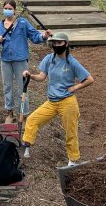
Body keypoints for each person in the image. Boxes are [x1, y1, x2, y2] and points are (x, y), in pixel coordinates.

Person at [21, 33, 94, 166]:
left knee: (70, 132)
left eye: (59, 43)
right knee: (32, 119)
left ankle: (73, 160)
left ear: (66, 44)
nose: (56, 45)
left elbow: (89, 79)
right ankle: (26, 146)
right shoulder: (49, 59)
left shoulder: (72, 62)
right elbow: (42, 76)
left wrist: (75, 87)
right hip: (52, 101)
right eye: (54, 43)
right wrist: (30, 75)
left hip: (68, 102)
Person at [0, 0, 52, 124]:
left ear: (15, 10)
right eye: (5, 8)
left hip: (20, 60)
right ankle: (9, 112)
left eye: (10, 8)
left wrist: (44, 36)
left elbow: (35, 36)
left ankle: (23, 114)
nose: (7, 10)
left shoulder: (23, 23)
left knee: (22, 88)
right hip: (6, 60)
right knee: (7, 86)